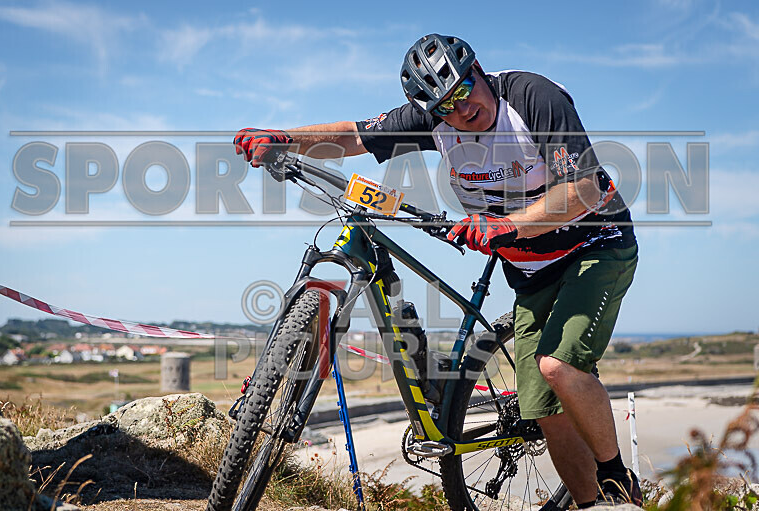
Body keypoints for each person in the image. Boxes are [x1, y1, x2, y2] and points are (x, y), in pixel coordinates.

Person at [233, 34, 641, 507]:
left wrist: (504, 225)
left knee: (558, 366)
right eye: (446, 108)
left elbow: (585, 190)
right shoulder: (434, 117)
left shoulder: (533, 97)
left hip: (595, 246)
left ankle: (616, 479)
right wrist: (285, 139)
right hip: (531, 271)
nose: (462, 111)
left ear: (479, 71)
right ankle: (591, 505)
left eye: (465, 93)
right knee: (543, 409)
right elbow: (353, 135)